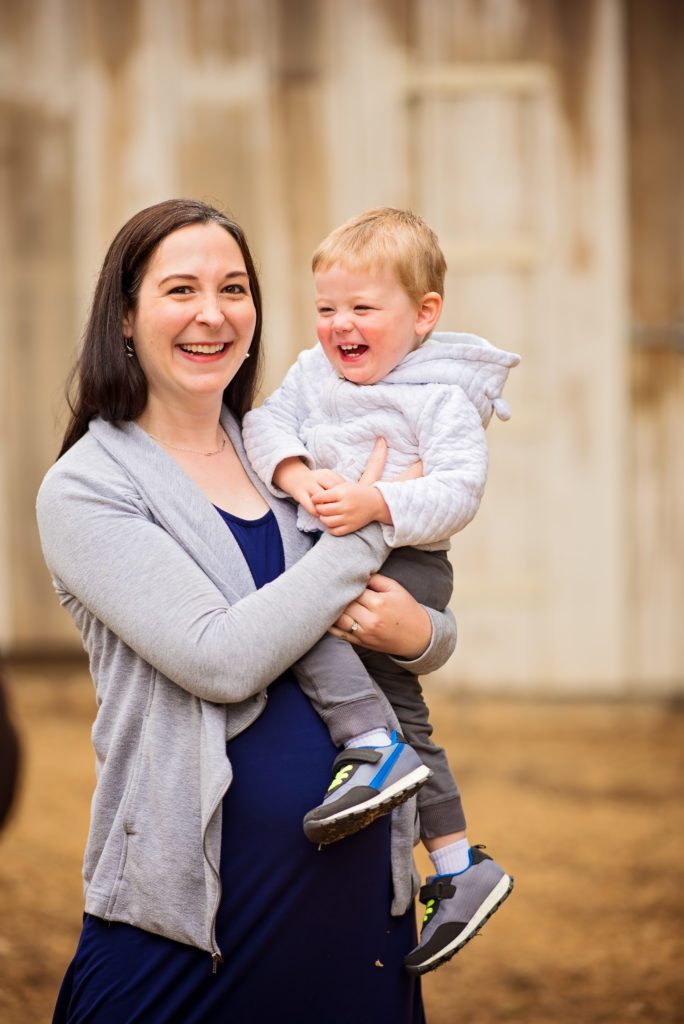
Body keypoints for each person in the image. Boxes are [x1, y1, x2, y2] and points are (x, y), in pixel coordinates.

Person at [36, 198, 460, 1024]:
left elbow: (410, 622)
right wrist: (375, 519)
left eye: (233, 288)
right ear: (124, 316)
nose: (213, 314)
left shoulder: (288, 454)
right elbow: (220, 659)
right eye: (181, 290)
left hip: (358, 911)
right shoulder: (89, 487)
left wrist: (424, 637)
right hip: (193, 927)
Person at [242, 207, 519, 975]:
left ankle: (368, 745)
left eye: (363, 307)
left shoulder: (438, 398)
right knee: (409, 716)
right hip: (349, 550)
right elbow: (263, 425)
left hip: (407, 561)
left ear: (423, 315)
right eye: (327, 308)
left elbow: (459, 491)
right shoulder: (312, 373)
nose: (341, 325)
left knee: (304, 621)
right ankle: (459, 868)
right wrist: (298, 473)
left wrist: (377, 503)